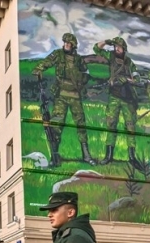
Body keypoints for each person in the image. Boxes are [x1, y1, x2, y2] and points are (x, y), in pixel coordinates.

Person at [32, 33, 96, 166]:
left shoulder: (78, 59)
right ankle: (54, 157)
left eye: (69, 43)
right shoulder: (58, 54)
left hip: (75, 96)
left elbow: (86, 73)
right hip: (61, 95)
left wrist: (81, 80)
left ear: (73, 45)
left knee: (81, 125)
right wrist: (39, 69)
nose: (66, 44)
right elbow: (47, 62)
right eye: (65, 42)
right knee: (56, 125)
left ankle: (86, 155)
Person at [93, 37, 141, 168]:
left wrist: (127, 79)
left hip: (128, 98)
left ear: (124, 48)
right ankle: (108, 156)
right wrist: (106, 42)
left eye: (119, 46)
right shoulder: (111, 56)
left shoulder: (129, 62)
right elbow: (96, 48)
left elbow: (137, 78)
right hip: (114, 96)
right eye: (115, 46)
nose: (116, 48)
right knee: (111, 125)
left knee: (130, 127)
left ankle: (132, 158)